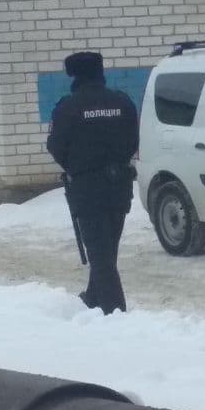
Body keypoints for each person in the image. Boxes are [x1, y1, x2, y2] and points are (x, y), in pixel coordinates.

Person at [46, 51, 139, 314]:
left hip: (87, 188)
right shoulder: (122, 102)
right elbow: (133, 140)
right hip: (120, 186)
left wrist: (77, 165)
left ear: (74, 76)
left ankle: (115, 312)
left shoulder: (68, 107)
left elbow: (55, 146)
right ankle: (93, 299)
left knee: (100, 255)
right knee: (107, 249)